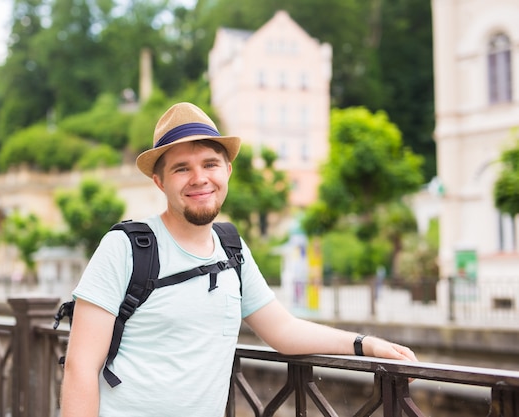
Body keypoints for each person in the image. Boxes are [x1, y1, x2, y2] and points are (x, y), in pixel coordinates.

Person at [60, 102, 418, 417]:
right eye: (181, 168)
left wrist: (363, 345)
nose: (200, 178)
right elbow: (80, 368)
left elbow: (283, 331)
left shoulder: (232, 249)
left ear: (227, 171)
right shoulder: (126, 247)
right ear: (159, 182)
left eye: (210, 164)